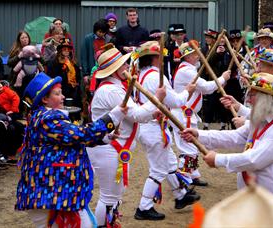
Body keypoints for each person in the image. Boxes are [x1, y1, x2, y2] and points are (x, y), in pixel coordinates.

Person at [15, 72, 127, 227]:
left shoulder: (41, 117)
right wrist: (113, 117)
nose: (62, 97)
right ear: (45, 99)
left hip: (54, 193)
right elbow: (80, 134)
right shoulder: (48, 118)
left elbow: (70, 138)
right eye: (57, 94)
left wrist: (104, 138)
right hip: (52, 195)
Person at [182, 72, 273, 205]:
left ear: (267, 99)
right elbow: (236, 137)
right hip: (258, 201)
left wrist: (218, 159)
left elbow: (255, 160)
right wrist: (199, 135)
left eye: (252, 95)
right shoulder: (262, 120)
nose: (248, 100)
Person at [86, 45, 165, 227]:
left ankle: (109, 223)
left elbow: (134, 115)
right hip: (109, 148)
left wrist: (152, 113)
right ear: (114, 70)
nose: (127, 67)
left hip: (112, 148)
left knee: (113, 195)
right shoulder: (112, 91)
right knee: (108, 196)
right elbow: (136, 114)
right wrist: (157, 99)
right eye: (123, 65)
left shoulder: (115, 88)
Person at [132, 41, 200, 220]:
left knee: (170, 163)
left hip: (152, 127)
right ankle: (144, 207)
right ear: (155, 58)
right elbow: (176, 101)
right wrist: (188, 91)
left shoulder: (142, 74)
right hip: (153, 129)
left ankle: (180, 195)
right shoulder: (155, 77)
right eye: (160, 56)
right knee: (158, 170)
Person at [171, 41, 230, 187]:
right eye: (195, 54)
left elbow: (202, 79)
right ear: (188, 57)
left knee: (192, 146)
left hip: (188, 115)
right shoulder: (187, 71)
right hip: (183, 115)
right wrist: (223, 78)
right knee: (188, 148)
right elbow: (207, 88)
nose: (198, 56)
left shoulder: (189, 69)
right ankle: (182, 180)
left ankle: (193, 176)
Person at [47, 39, 81, 108]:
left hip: (73, 91)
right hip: (60, 89)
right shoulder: (54, 62)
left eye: (68, 49)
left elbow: (78, 77)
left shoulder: (73, 62)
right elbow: (51, 76)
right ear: (60, 50)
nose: (66, 51)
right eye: (64, 49)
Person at [80, 19, 110, 85]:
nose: (101, 34)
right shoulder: (88, 39)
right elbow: (84, 57)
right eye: (99, 31)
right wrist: (85, 74)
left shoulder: (108, 39)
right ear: (95, 29)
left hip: (105, 72)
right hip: (92, 72)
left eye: (103, 32)